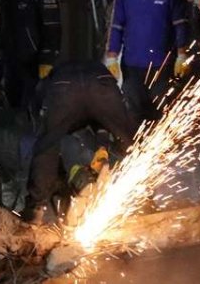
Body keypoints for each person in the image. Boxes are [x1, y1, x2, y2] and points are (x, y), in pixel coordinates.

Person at [24, 61, 135, 224]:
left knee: (48, 146)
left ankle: (35, 209)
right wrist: (101, 147)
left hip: (65, 89)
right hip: (103, 83)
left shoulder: (44, 88)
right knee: (129, 143)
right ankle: (145, 199)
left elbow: (46, 141)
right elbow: (101, 118)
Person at [105, 0, 191, 123]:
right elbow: (116, 26)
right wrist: (112, 56)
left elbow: (180, 25)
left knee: (162, 112)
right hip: (132, 65)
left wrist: (182, 54)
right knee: (134, 113)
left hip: (161, 65)